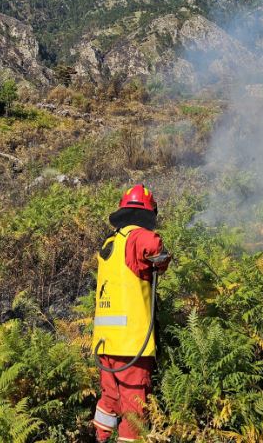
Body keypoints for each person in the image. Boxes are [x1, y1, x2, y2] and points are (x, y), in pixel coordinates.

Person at [92, 185, 170, 442]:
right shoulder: (137, 237)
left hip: (106, 343)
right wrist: (162, 258)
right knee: (135, 408)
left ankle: (101, 438)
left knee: (110, 399)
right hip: (131, 344)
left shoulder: (110, 242)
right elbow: (153, 243)